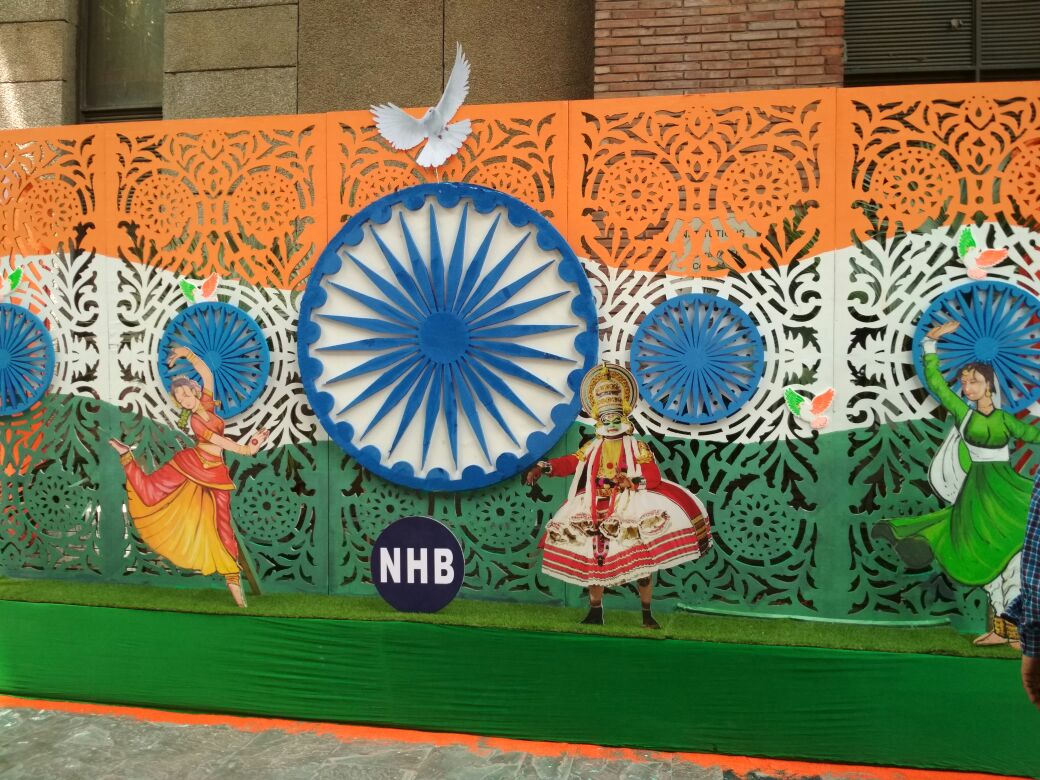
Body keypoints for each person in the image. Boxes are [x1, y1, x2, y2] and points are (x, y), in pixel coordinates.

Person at [881, 319, 1040, 647]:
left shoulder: (1005, 419)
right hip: (977, 493)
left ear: (989, 385)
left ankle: (1016, 628)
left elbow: (1033, 435)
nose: (967, 388)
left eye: (974, 381)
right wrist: (930, 344)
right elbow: (938, 384)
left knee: (1015, 555)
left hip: (1007, 490)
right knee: (984, 554)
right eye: (965, 382)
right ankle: (1001, 628)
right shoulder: (964, 415)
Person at [525, 363, 712, 628]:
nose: (611, 425)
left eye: (615, 420)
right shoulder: (592, 447)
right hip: (593, 505)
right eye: (606, 421)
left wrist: (631, 481)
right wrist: (544, 467)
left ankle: (647, 615)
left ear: (624, 419)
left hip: (628, 506)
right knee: (594, 560)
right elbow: (570, 462)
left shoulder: (638, 447)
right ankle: (595, 612)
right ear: (598, 422)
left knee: (642, 563)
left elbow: (653, 477)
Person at [108, 345, 269, 607]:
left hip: (215, 472)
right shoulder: (195, 421)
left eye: (185, 393)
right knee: (150, 494)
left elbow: (208, 375)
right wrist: (248, 449)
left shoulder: (206, 402)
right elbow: (219, 441)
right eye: (179, 398)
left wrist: (187, 354)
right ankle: (127, 455)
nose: (183, 400)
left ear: (194, 391)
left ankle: (232, 577)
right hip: (190, 464)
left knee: (223, 527)